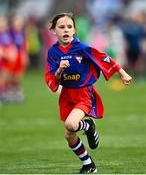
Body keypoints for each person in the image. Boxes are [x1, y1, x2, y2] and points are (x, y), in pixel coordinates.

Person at [45, 12, 132, 174]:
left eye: (69, 27)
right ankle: (89, 164)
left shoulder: (81, 48)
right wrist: (59, 71)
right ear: (53, 31)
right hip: (67, 96)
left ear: (74, 30)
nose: (66, 30)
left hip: (83, 94)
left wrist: (123, 73)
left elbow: (104, 58)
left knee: (71, 124)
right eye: (61, 27)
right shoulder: (52, 52)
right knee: (69, 136)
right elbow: (51, 76)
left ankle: (88, 126)